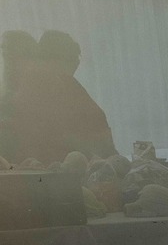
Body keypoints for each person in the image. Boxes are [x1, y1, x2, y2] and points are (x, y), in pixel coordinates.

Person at [0, 29, 117, 164]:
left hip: (58, 159)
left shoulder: (40, 79)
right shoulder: (46, 80)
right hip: (75, 158)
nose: (8, 63)